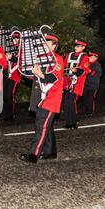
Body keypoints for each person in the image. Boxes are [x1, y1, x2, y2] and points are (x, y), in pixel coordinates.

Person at [19, 33, 64, 163]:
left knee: (41, 126)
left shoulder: (57, 59)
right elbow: (32, 77)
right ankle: (50, 152)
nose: (43, 44)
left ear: (54, 45)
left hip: (51, 99)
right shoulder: (40, 58)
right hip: (40, 98)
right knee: (46, 126)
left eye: (47, 42)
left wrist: (40, 73)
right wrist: (27, 70)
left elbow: (54, 77)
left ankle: (34, 154)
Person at [63, 39, 90, 128]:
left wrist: (76, 70)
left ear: (83, 47)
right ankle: (68, 122)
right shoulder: (69, 55)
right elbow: (64, 66)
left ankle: (74, 121)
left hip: (77, 82)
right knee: (66, 101)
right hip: (67, 81)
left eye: (79, 46)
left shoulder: (84, 57)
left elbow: (85, 70)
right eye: (76, 46)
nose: (76, 48)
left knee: (72, 101)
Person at [3, 32, 22, 121]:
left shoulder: (22, 49)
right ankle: (6, 114)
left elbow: (22, 61)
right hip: (8, 75)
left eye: (17, 38)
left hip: (16, 76)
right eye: (14, 38)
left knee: (9, 94)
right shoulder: (11, 49)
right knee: (5, 95)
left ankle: (10, 115)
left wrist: (11, 58)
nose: (16, 40)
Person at [82, 52, 102, 116]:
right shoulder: (87, 64)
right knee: (85, 98)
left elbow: (98, 74)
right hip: (86, 85)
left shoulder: (97, 65)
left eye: (91, 57)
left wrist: (90, 72)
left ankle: (90, 112)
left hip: (93, 85)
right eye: (89, 57)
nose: (89, 58)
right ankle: (86, 110)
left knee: (90, 98)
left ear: (95, 58)